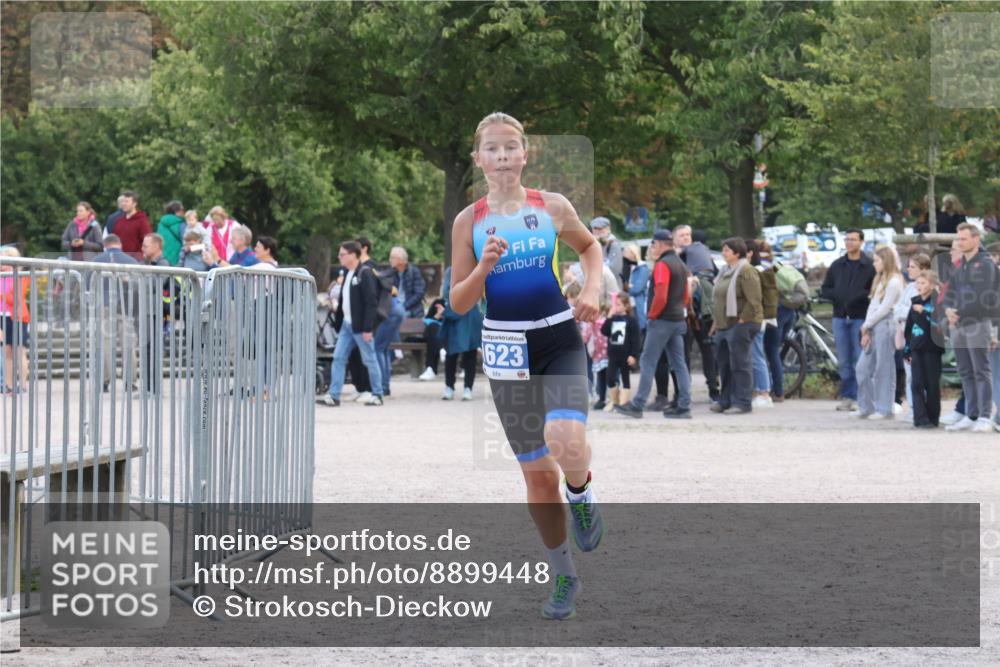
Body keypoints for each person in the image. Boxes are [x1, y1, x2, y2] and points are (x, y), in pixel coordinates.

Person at [448, 112, 603, 620]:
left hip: (557, 336)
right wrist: (484, 267)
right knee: (538, 479)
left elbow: (590, 248)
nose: (502, 157)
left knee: (566, 438)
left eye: (511, 147)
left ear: (525, 153)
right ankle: (564, 574)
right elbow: (459, 302)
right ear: (478, 159)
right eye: (492, 149)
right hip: (505, 350)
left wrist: (593, 289)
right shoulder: (468, 222)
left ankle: (581, 491)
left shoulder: (551, 206)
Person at [615, 229, 692, 419]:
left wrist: (652, 315)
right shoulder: (680, 264)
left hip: (662, 321)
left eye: (653, 244)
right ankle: (684, 406)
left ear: (659, 244)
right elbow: (686, 295)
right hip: (677, 319)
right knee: (679, 363)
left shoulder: (663, 265)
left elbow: (661, 295)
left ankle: (637, 404)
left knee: (648, 361)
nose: (652, 248)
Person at [943, 223, 998, 432]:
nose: (960, 242)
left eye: (964, 239)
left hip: (977, 323)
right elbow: (949, 292)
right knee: (965, 371)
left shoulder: (986, 264)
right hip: (958, 324)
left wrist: (958, 313)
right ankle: (971, 414)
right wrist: (948, 309)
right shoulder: (961, 265)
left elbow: (984, 296)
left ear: (976, 239)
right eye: (958, 239)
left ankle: (984, 416)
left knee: (981, 370)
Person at [318, 241, 383, 407]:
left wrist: (368, 328)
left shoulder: (365, 273)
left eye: (342, 254)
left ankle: (377, 394)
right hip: (347, 325)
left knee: (369, 359)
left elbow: (371, 303)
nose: (339, 257)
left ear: (353, 255)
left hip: (360, 326)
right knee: (339, 357)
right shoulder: (348, 273)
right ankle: (334, 395)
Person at [820, 228, 876, 411]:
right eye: (847, 239)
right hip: (840, 317)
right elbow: (826, 288)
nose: (849, 243)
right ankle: (848, 395)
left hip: (860, 317)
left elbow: (874, 290)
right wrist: (837, 295)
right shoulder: (837, 265)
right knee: (844, 359)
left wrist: (859, 296)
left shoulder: (869, 266)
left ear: (861, 242)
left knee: (860, 358)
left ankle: (862, 396)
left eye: (853, 239)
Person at [710, 237, 763, 414]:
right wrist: (716, 322)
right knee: (724, 364)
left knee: (740, 364)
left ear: (737, 253)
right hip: (723, 324)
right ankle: (725, 400)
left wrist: (742, 320)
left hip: (741, 324)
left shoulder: (746, 271)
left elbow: (754, 300)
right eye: (723, 250)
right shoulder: (725, 271)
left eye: (727, 250)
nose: (723, 253)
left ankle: (742, 402)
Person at [851, 247, 904, 420]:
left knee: (884, 368)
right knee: (862, 368)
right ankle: (866, 407)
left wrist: (866, 325)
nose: (874, 264)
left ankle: (885, 408)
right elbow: (873, 306)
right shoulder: (879, 280)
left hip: (886, 325)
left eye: (877, 261)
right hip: (873, 325)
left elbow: (884, 308)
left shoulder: (894, 282)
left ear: (885, 261)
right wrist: (867, 328)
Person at [675, 224, 719, 403]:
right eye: (682, 235)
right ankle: (684, 392)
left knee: (707, 349)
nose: (686, 237)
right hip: (683, 312)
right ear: (675, 239)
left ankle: (714, 389)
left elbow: (714, 273)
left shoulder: (698, 253)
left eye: (688, 234)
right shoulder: (675, 257)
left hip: (702, 310)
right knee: (683, 352)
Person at [91, 235, 141, 392]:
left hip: (103, 306)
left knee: (105, 344)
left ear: (105, 245)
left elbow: (88, 286)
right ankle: (129, 381)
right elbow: (138, 286)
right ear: (120, 244)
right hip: (126, 307)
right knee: (128, 345)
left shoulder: (95, 261)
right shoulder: (131, 261)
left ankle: (104, 381)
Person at [893, 254, 933, 421]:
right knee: (910, 375)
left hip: (920, 337)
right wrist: (907, 311)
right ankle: (913, 408)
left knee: (920, 374)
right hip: (907, 335)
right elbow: (897, 310)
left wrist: (907, 311)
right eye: (908, 266)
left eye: (913, 267)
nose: (908, 269)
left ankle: (923, 409)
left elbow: (917, 311)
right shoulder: (909, 287)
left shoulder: (927, 288)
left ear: (923, 269)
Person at [904, 270, 945, 428]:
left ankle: (933, 417)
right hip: (917, 347)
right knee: (917, 383)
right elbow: (909, 328)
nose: (919, 286)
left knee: (931, 384)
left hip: (932, 348)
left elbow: (938, 325)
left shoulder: (937, 302)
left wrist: (924, 313)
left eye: (923, 283)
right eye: (918, 283)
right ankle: (920, 418)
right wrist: (907, 349)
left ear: (932, 285)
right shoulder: (914, 302)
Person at [439, 265, 483, 401]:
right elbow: (446, 293)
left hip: (470, 314)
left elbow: (479, 291)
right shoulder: (451, 270)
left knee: (470, 352)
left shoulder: (477, 267)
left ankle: (467, 387)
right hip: (456, 311)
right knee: (451, 352)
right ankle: (450, 386)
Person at [770, 257, 810, 400]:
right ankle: (777, 391)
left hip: (778, 309)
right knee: (775, 350)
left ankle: (777, 391)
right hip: (789, 309)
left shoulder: (763, 268)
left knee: (772, 351)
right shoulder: (777, 265)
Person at [748, 239, 778, 409]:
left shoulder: (756, 271)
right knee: (758, 354)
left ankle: (764, 393)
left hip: (756, 319)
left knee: (757, 355)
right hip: (762, 318)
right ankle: (759, 391)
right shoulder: (764, 268)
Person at [601, 292, 640, 410]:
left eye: (618, 305)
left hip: (625, 355)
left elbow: (636, 340)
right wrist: (609, 317)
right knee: (610, 378)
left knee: (625, 378)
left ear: (626, 306)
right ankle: (614, 401)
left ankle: (624, 402)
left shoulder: (631, 321)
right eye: (615, 304)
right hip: (613, 355)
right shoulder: (613, 319)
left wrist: (633, 355)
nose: (616, 307)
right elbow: (604, 331)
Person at [0, 247, 30, 393]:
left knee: (19, 351)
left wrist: (2, 295)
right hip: (2, 316)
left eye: (5, 260)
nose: (2, 265)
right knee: (7, 352)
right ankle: (9, 385)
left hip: (18, 317)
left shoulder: (20, 277)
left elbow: (16, 299)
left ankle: (22, 385)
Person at [622, 243, 650, 332]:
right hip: (628, 304)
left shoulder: (643, 269)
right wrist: (628, 286)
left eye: (625, 252)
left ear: (633, 254)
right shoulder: (626, 268)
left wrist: (627, 287)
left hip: (638, 305)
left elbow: (637, 289)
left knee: (640, 331)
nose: (623, 254)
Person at [114, 191, 151, 256]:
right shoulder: (119, 221)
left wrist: (139, 257)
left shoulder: (142, 221)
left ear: (134, 204)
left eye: (126, 201)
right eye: (123, 201)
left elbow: (147, 242)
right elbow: (115, 241)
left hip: (135, 260)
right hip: (119, 258)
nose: (123, 204)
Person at [418, 295, 446, 382]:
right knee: (432, 329)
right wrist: (438, 315)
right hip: (435, 337)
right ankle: (441, 349)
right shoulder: (430, 322)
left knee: (432, 337)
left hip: (448, 336)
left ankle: (430, 369)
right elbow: (427, 322)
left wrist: (445, 314)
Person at [589, 216, 623, 288]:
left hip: (612, 287)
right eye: (595, 228)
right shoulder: (593, 245)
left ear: (608, 229)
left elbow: (614, 270)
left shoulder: (614, 245)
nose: (598, 231)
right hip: (598, 286)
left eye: (601, 228)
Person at [157, 201, 186, 266]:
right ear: (177, 211)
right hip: (177, 259)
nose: (184, 212)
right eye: (182, 210)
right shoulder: (181, 225)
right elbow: (185, 241)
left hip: (162, 258)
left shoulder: (161, 223)